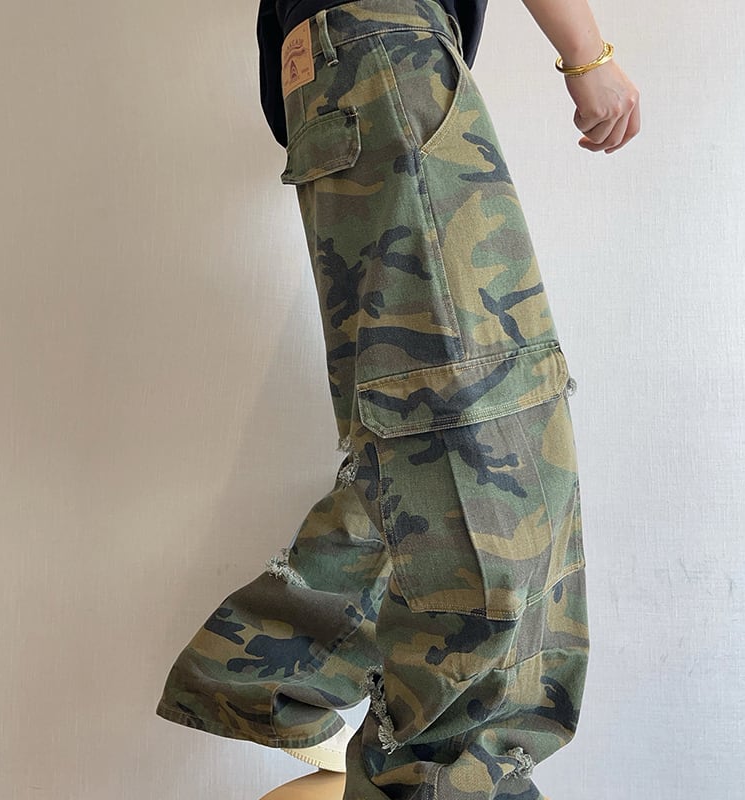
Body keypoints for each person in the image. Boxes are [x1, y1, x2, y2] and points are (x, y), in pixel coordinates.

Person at [155, 1, 640, 798]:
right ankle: (436, 778)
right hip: (384, 48)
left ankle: (273, 670)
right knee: (481, 435)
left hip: (355, 61)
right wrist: (589, 57)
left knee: (426, 434)